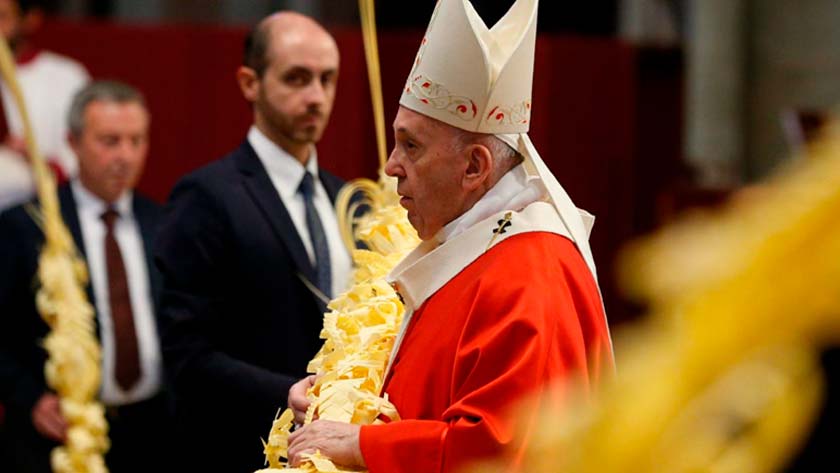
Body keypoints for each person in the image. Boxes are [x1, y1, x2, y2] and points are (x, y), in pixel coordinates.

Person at [285, 1, 614, 472]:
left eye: (411, 146)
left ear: (475, 167)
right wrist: (335, 405)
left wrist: (361, 445)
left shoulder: (531, 275)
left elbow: (501, 453)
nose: (390, 166)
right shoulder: (473, 244)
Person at [154, 11, 352, 472]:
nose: (317, 97)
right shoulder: (207, 195)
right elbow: (184, 353)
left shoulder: (349, 201)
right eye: (297, 79)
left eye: (328, 79)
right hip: (236, 448)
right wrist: (284, 392)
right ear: (250, 83)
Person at [0, 81, 174, 473]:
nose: (125, 156)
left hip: (152, 431)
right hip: (58, 436)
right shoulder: (28, 226)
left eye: (136, 141)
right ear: (73, 143)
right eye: (109, 141)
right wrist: (28, 398)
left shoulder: (163, 223)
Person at [0, 0, 90, 211]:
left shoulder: (65, 76)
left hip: (38, 211)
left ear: (30, 20)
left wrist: (36, 160)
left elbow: (84, 153)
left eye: (2, 17)